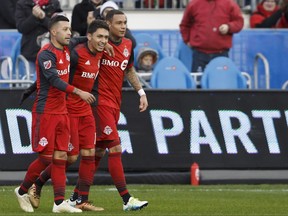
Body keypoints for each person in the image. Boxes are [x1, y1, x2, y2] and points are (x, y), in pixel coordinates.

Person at [67, 9, 149, 211]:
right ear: (108, 24)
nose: (123, 26)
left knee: (96, 153)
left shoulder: (129, 44)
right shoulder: (97, 45)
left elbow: (128, 69)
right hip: (99, 103)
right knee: (115, 148)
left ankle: (76, 196)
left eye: (125, 23)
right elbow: (75, 45)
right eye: (119, 23)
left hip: (115, 103)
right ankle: (126, 199)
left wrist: (141, 92)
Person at [14, 14, 96, 213]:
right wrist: (78, 91)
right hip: (46, 112)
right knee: (45, 158)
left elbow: (80, 39)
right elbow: (54, 81)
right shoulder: (46, 53)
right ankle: (22, 190)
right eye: (65, 30)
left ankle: (59, 203)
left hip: (62, 112)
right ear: (53, 31)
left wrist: (95, 38)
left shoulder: (67, 48)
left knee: (61, 155)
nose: (69, 33)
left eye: (69, 30)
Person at [27, 19, 110, 212]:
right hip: (68, 109)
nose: (103, 41)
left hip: (85, 109)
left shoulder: (103, 52)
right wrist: (33, 88)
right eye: (100, 36)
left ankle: (81, 199)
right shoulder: (73, 53)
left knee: (91, 152)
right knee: (69, 158)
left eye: (106, 38)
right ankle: (37, 184)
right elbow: (55, 77)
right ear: (89, 36)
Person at [179, 0, 244, 73]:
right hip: (199, 54)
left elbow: (239, 22)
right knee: (198, 82)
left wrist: (229, 27)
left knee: (220, 82)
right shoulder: (193, 4)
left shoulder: (229, 3)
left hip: (221, 54)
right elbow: (184, 25)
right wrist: (187, 40)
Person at [15, 0, 63, 78]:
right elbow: (21, 27)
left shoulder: (54, 3)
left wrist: (43, 18)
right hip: (30, 52)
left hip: (50, 52)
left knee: (49, 82)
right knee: (30, 82)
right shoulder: (22, 3)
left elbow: (58, 28)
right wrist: (33, 17)